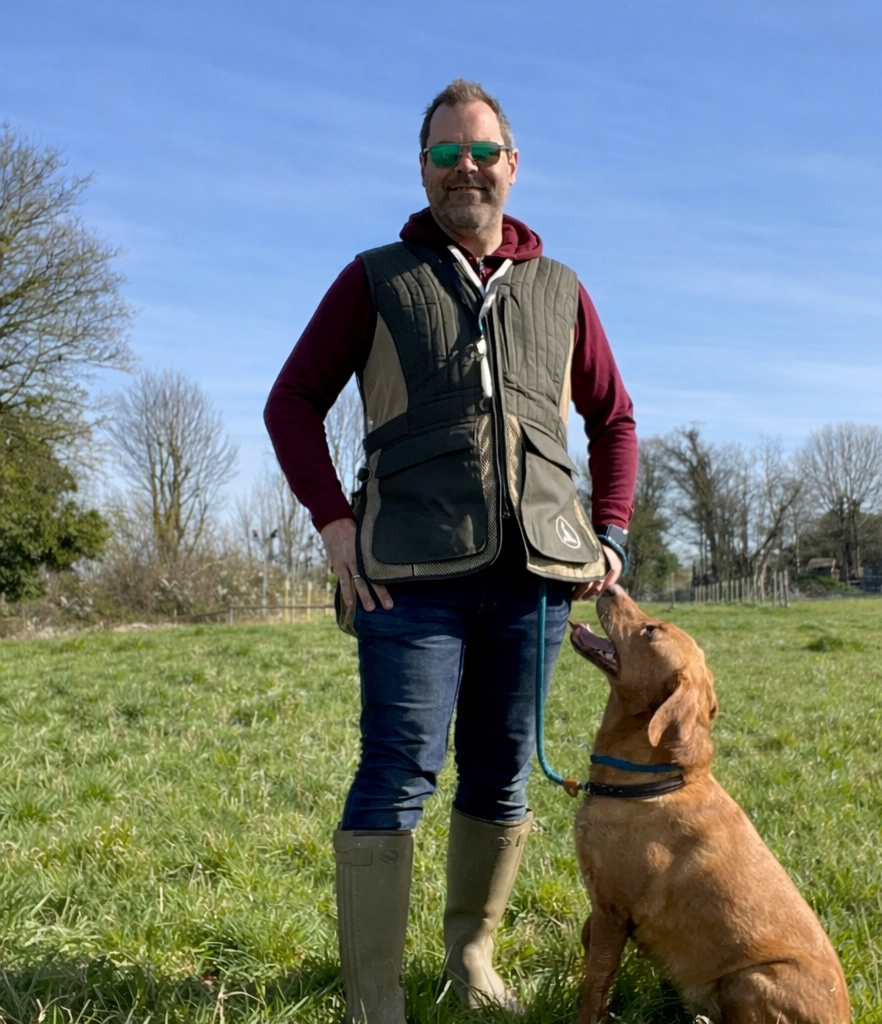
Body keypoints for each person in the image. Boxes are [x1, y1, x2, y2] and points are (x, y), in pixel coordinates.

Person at [264, 79, 637, 1024]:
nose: (463, 168)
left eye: (480, 152)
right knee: (396, 766)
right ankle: (374, 1000)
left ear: (512, 165)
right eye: (443, 154)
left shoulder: (562, 290)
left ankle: (472, 957)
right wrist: (335, 525)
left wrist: (613, 533)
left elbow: (615, 418)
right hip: (407, 576)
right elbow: (292, 402)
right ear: (422, 168)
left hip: (538, 580)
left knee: (505, 765)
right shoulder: (376, 276)